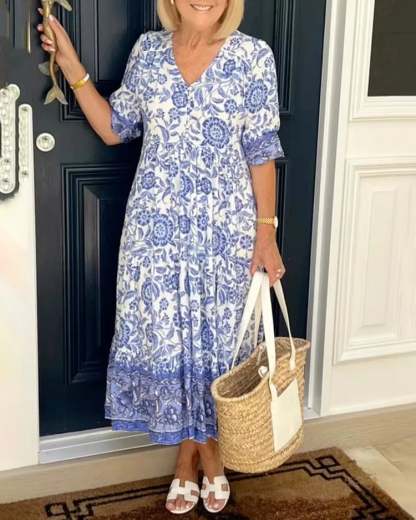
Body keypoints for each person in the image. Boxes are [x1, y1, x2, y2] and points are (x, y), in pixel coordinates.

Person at [37, 0, 286, 514]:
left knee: (217, 348)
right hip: (156, 234)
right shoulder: (148, 52)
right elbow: (115, 128)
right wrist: (70, 63)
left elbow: (262, 150)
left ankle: (199, 457)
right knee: (170, 342)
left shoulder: (253, 56)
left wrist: (267, 234)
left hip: (225, 233)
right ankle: (197, 458)